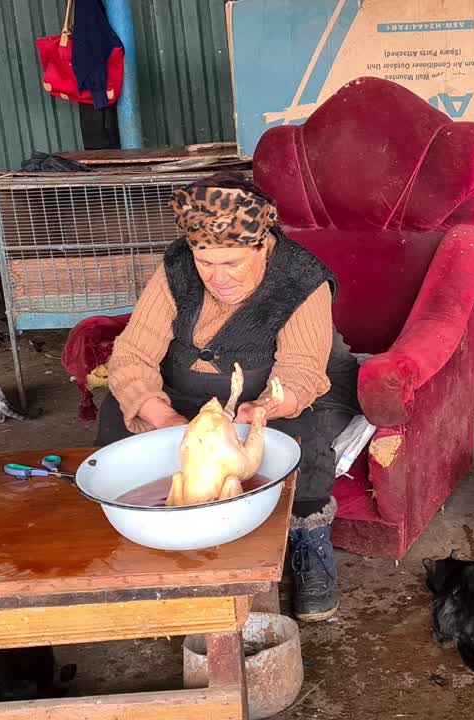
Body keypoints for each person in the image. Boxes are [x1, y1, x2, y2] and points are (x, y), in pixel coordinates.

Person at [97, 173, 359, 622]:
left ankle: (309, 545)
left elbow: (299, 371)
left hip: (267, 395)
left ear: (261, 245)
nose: (218, 279)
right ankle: (155, 539)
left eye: (232, 263)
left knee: (302, 445)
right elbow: (134, 354)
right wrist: (163, 419)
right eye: (206, 262)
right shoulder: (176, 268)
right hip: (181, 392)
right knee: (117, 422)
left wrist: (264, 410)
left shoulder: (302, 280)